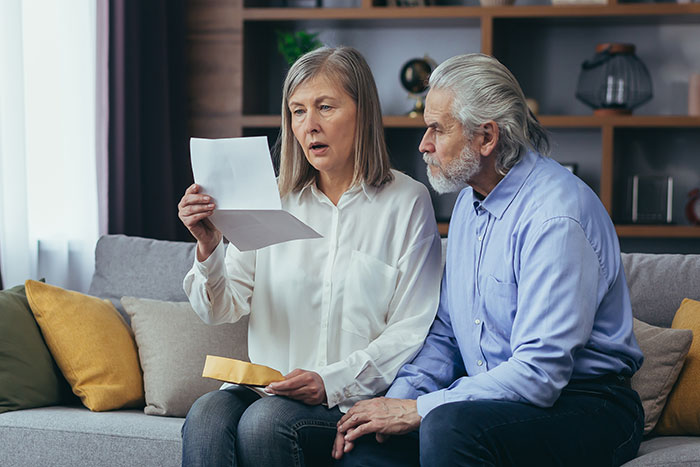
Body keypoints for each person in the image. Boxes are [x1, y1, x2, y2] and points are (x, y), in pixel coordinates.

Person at [333, 53, 645, 467]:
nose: (423, 145)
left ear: (486, 137)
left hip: (588, 404)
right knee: (369, 442)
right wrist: (393, 403)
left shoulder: (556, 217)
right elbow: (444, 334)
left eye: (436, 130)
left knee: (448, 427)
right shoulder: (468, 204)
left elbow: (539, 376)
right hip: (497, 399)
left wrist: (419, 411)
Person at [177, 46, 442, 467]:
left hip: (343, 400)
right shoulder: (272, 198)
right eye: (298, 112)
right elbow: (221, 309)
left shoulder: (407, 202)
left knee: (265, 423)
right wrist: (209, 247)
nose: (310, 126)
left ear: (363, 112)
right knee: (207, 414)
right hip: (268, 388)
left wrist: (328, 382)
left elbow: (411, 329)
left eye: (325, 107)